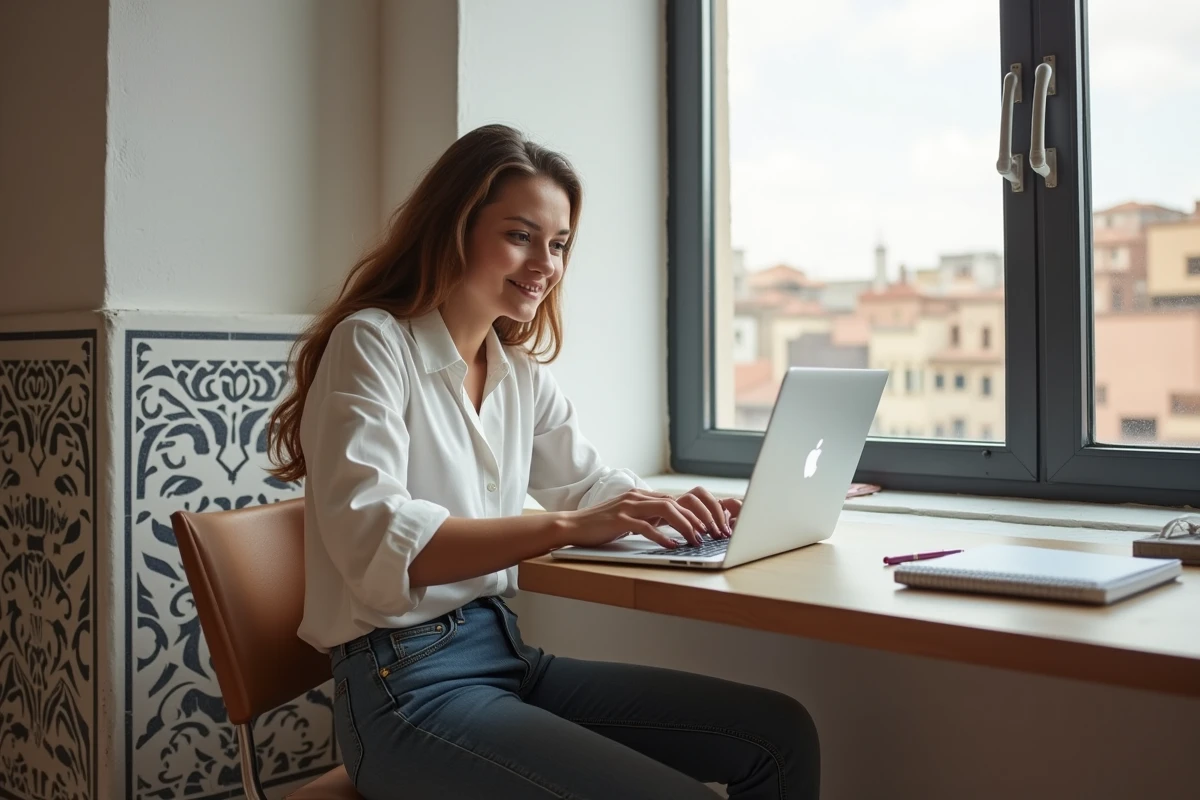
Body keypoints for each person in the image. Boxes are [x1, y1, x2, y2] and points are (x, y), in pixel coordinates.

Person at [267, 124, 820, 799]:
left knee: (779, 735)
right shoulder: (374, 344)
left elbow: (588, 484)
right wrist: (564, 527)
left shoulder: (518, 375)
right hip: (401, 691)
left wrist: (683, 509)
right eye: (520, 236)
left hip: (503, 657)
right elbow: (380, 544)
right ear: (454, 229)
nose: (546, 264)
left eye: (558, 244)